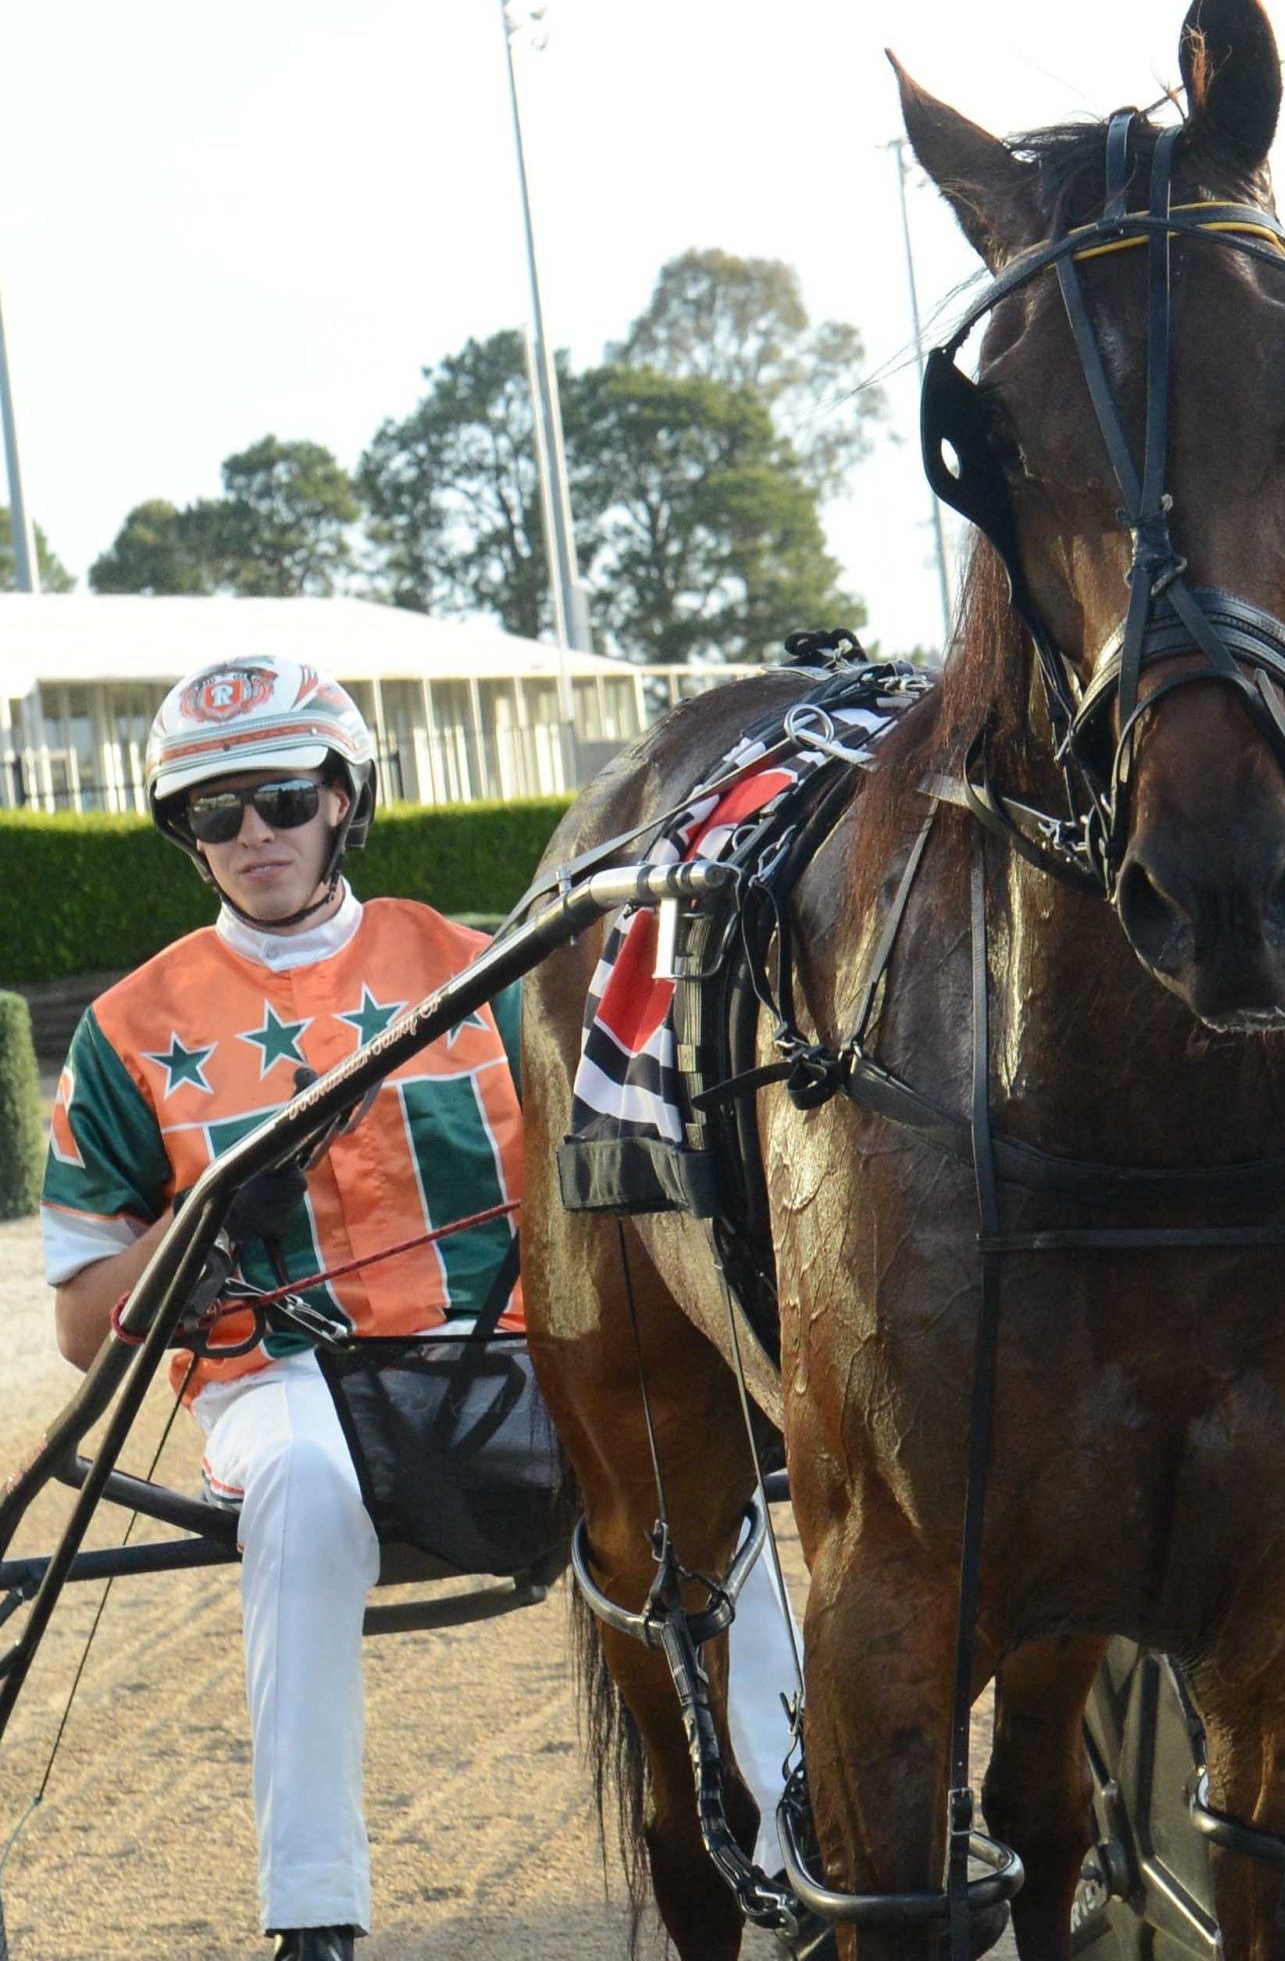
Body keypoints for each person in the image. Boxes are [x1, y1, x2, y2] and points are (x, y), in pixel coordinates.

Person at [39, 656, 802, 1959]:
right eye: (215, 812)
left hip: (522, 1346)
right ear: (186, 835)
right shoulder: (124, 1028)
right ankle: (316, 1915)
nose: (254, 833)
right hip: (277, 1378)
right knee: (302, 1493)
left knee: (700, 1465)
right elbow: (80, 1318)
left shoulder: (483, 963)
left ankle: (801, 1841)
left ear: (345, 799)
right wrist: (196, 1231)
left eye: (282, 795)